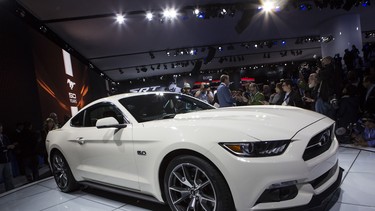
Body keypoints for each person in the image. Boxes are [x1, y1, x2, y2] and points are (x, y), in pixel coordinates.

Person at [0, 123, 15, 191]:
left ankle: (10, 190)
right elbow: (5, 147)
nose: (1, 128)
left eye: (1, 127)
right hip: (0, 161)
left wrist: (10, 146)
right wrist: (6, 147)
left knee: (9, 177)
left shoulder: (4, 137)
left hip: (7, 160)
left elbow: (9, 145)